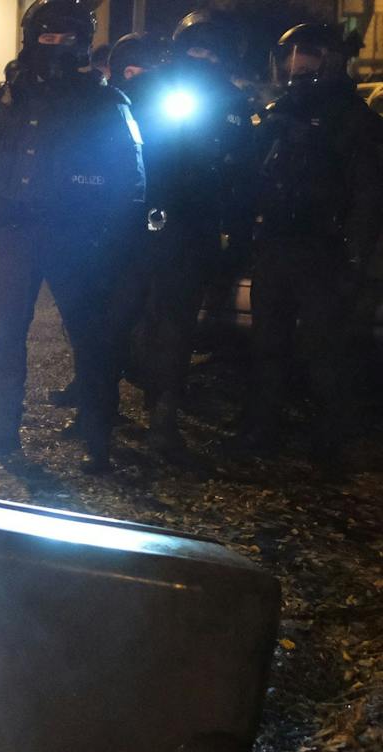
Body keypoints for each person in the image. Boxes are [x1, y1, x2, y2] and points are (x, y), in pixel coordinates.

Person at [0, 0, 144, 473]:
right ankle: (1, 431)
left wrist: (109, 233)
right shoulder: (9, 98)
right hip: (14, 237)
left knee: (90, 337)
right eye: (47, 37)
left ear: (83, 42)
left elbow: (131, 176)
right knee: (6, 337)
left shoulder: (103, 101)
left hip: (75, 239)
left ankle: (97, 438)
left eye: (67, 38)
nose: (56, 48)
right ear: (30, 38)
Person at [239, 22, 383, 476]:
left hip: (326, 251)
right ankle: (262, 431)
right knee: (267, 345)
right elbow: (250, 180)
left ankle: (329, 442)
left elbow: (368, 194)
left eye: (308, 57)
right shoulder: (277, 113)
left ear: (329, 61)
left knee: (325, 352)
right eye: (290, 59)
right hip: (277, 245)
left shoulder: (354, 119)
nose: (297, 66)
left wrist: (356, 257)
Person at [107, 16, 253, 458]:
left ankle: (164, 417)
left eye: (211, 52)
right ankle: (100, 407)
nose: (202, 58)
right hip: (140, 223)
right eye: (195, 49)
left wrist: (235, 234)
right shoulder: (153, 89)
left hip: (193, 229)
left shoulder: (233, 101)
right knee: (117, 316)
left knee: (176, 326)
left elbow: (242, 174)